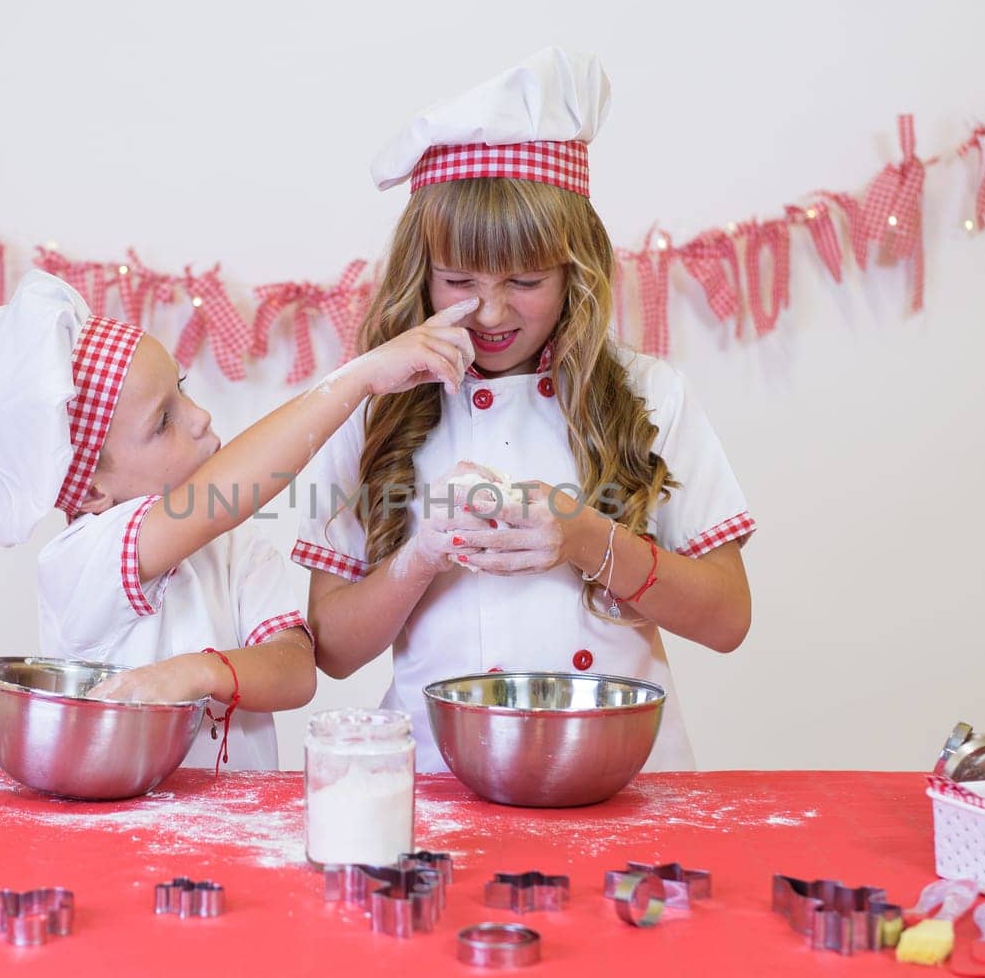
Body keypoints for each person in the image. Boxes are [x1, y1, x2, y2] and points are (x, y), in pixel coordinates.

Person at [295, 48, 756, 771]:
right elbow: (332, 650)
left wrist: (587, 540)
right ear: (421, 274)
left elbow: (728, 618)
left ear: (579, 268)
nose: (492, 311)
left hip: (620, 775)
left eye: (527, 279)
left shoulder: (651, 393)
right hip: (431, 778)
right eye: (458, 280)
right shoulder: (370, 403)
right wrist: (421, 556)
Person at [0, 269, 475, 769]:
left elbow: (296, 671)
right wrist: (360, 378)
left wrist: (201, 671)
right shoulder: (84, 559)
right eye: (163, 421)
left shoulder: (235, 545)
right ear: (91, 489)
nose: (200, 416)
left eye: (182, 389)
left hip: (238, 831)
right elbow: (220, 496)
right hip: (129, 834)